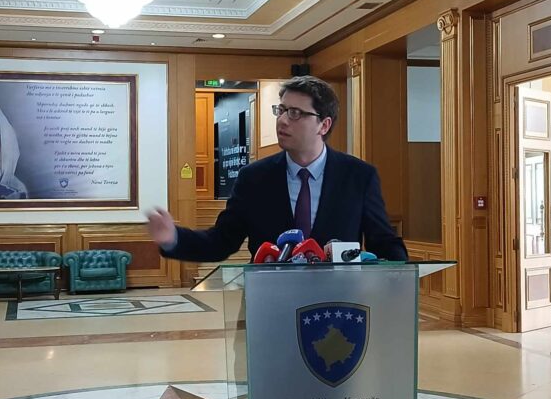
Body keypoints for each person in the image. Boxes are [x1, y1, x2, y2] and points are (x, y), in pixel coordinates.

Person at [148, 75, 407, 261]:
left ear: (324, 125)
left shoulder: (358, 176)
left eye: (295, 113)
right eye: (281, 110)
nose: (282, 120)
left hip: (337, 306)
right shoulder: (254, 178)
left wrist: (402, 275)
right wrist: (174, 239)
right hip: (270, 303)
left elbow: (383, 242)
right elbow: (221, 241)